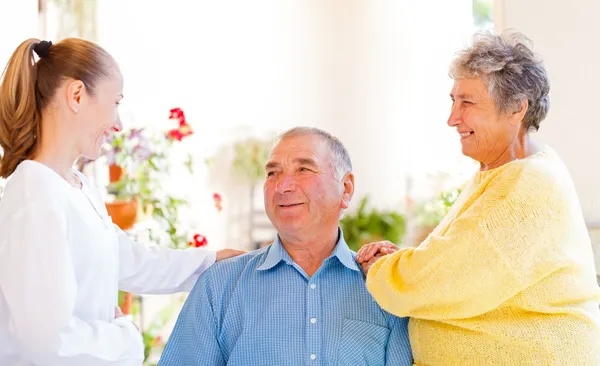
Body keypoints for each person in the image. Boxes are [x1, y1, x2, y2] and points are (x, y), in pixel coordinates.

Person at [357, 30, 600, 365]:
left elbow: (439, 281)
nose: (453, 118)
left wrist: (379, 269)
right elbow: (457, 260)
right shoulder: (501, 172)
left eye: (467, 103)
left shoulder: (526, 185)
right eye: (453, 101)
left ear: (516, 108)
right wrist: (409, 262)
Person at [0, 38, 244, 366]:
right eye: (115, 102)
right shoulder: (35, 194)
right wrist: (127, 338)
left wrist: (210, 262)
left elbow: (125, 259)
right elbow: (47, 345)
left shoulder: (77, 186)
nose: (118, 124)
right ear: (76, 96)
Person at [158, 127, 413, 365]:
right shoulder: (219, 286)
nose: (283, 185)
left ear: (345, 189)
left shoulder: (384, 287)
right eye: (273, 173)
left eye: (303, 169)